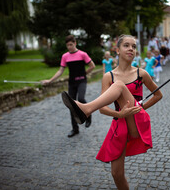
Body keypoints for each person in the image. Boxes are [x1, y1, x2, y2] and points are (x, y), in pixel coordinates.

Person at [61, 34, 163, 189]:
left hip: (137, 121)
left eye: (134, 46)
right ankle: (86, 109)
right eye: (126, 45)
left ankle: (86, 109)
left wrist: (141, 108)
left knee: (120, 85)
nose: (131, 49)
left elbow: (158, 95)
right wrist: (120, 114)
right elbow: (102, 108)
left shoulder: (141, 73)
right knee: (116, 173)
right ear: (117, 50)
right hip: (120, 121)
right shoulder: (108, 76)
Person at [42, 35, 95, 137]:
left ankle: (88, 114)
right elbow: (61, 70)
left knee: (81, 98)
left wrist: (85, 73)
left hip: (82, 81)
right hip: (72, 83)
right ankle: (75, 129)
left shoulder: (82, 54)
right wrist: (50, 80)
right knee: (71, 105)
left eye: (71, 44)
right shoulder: (65, 56)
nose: (69, 47)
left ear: (75, 43)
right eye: (68, 45)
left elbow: (92, 65)